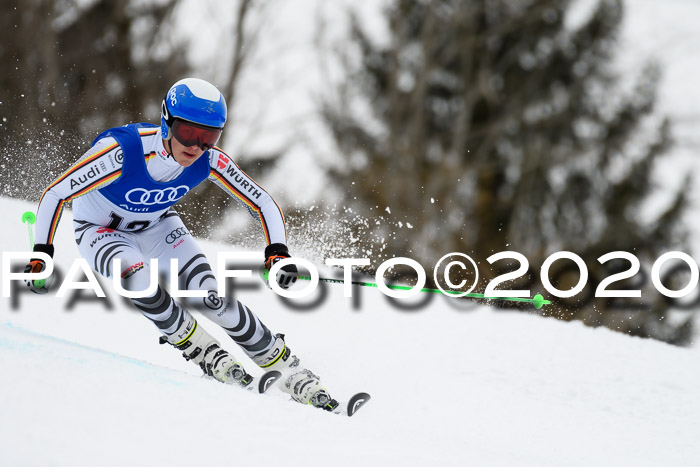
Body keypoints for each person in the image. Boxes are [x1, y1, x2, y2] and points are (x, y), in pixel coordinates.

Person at [23, 77, 338, 411]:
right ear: (166, 121)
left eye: (209, 137)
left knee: (212, 298)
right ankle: (199, 346)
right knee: (136, 277)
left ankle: (284, 365)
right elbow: (56, 193)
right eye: (189, 133)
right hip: (100, 230)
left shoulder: (210, 160)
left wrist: (278, 254)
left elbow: (261, 202)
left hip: (158, 227)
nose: (196, 146)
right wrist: (42, 253)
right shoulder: (121, 152)